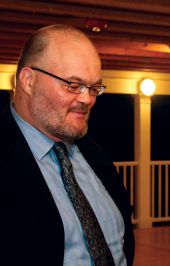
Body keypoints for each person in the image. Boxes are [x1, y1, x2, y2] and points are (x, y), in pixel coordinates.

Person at [0, 25, 134, 265]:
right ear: (29, 81)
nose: (87, 99)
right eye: (72, 85)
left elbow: (123, 244)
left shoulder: (95, 155)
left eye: (94, 87)